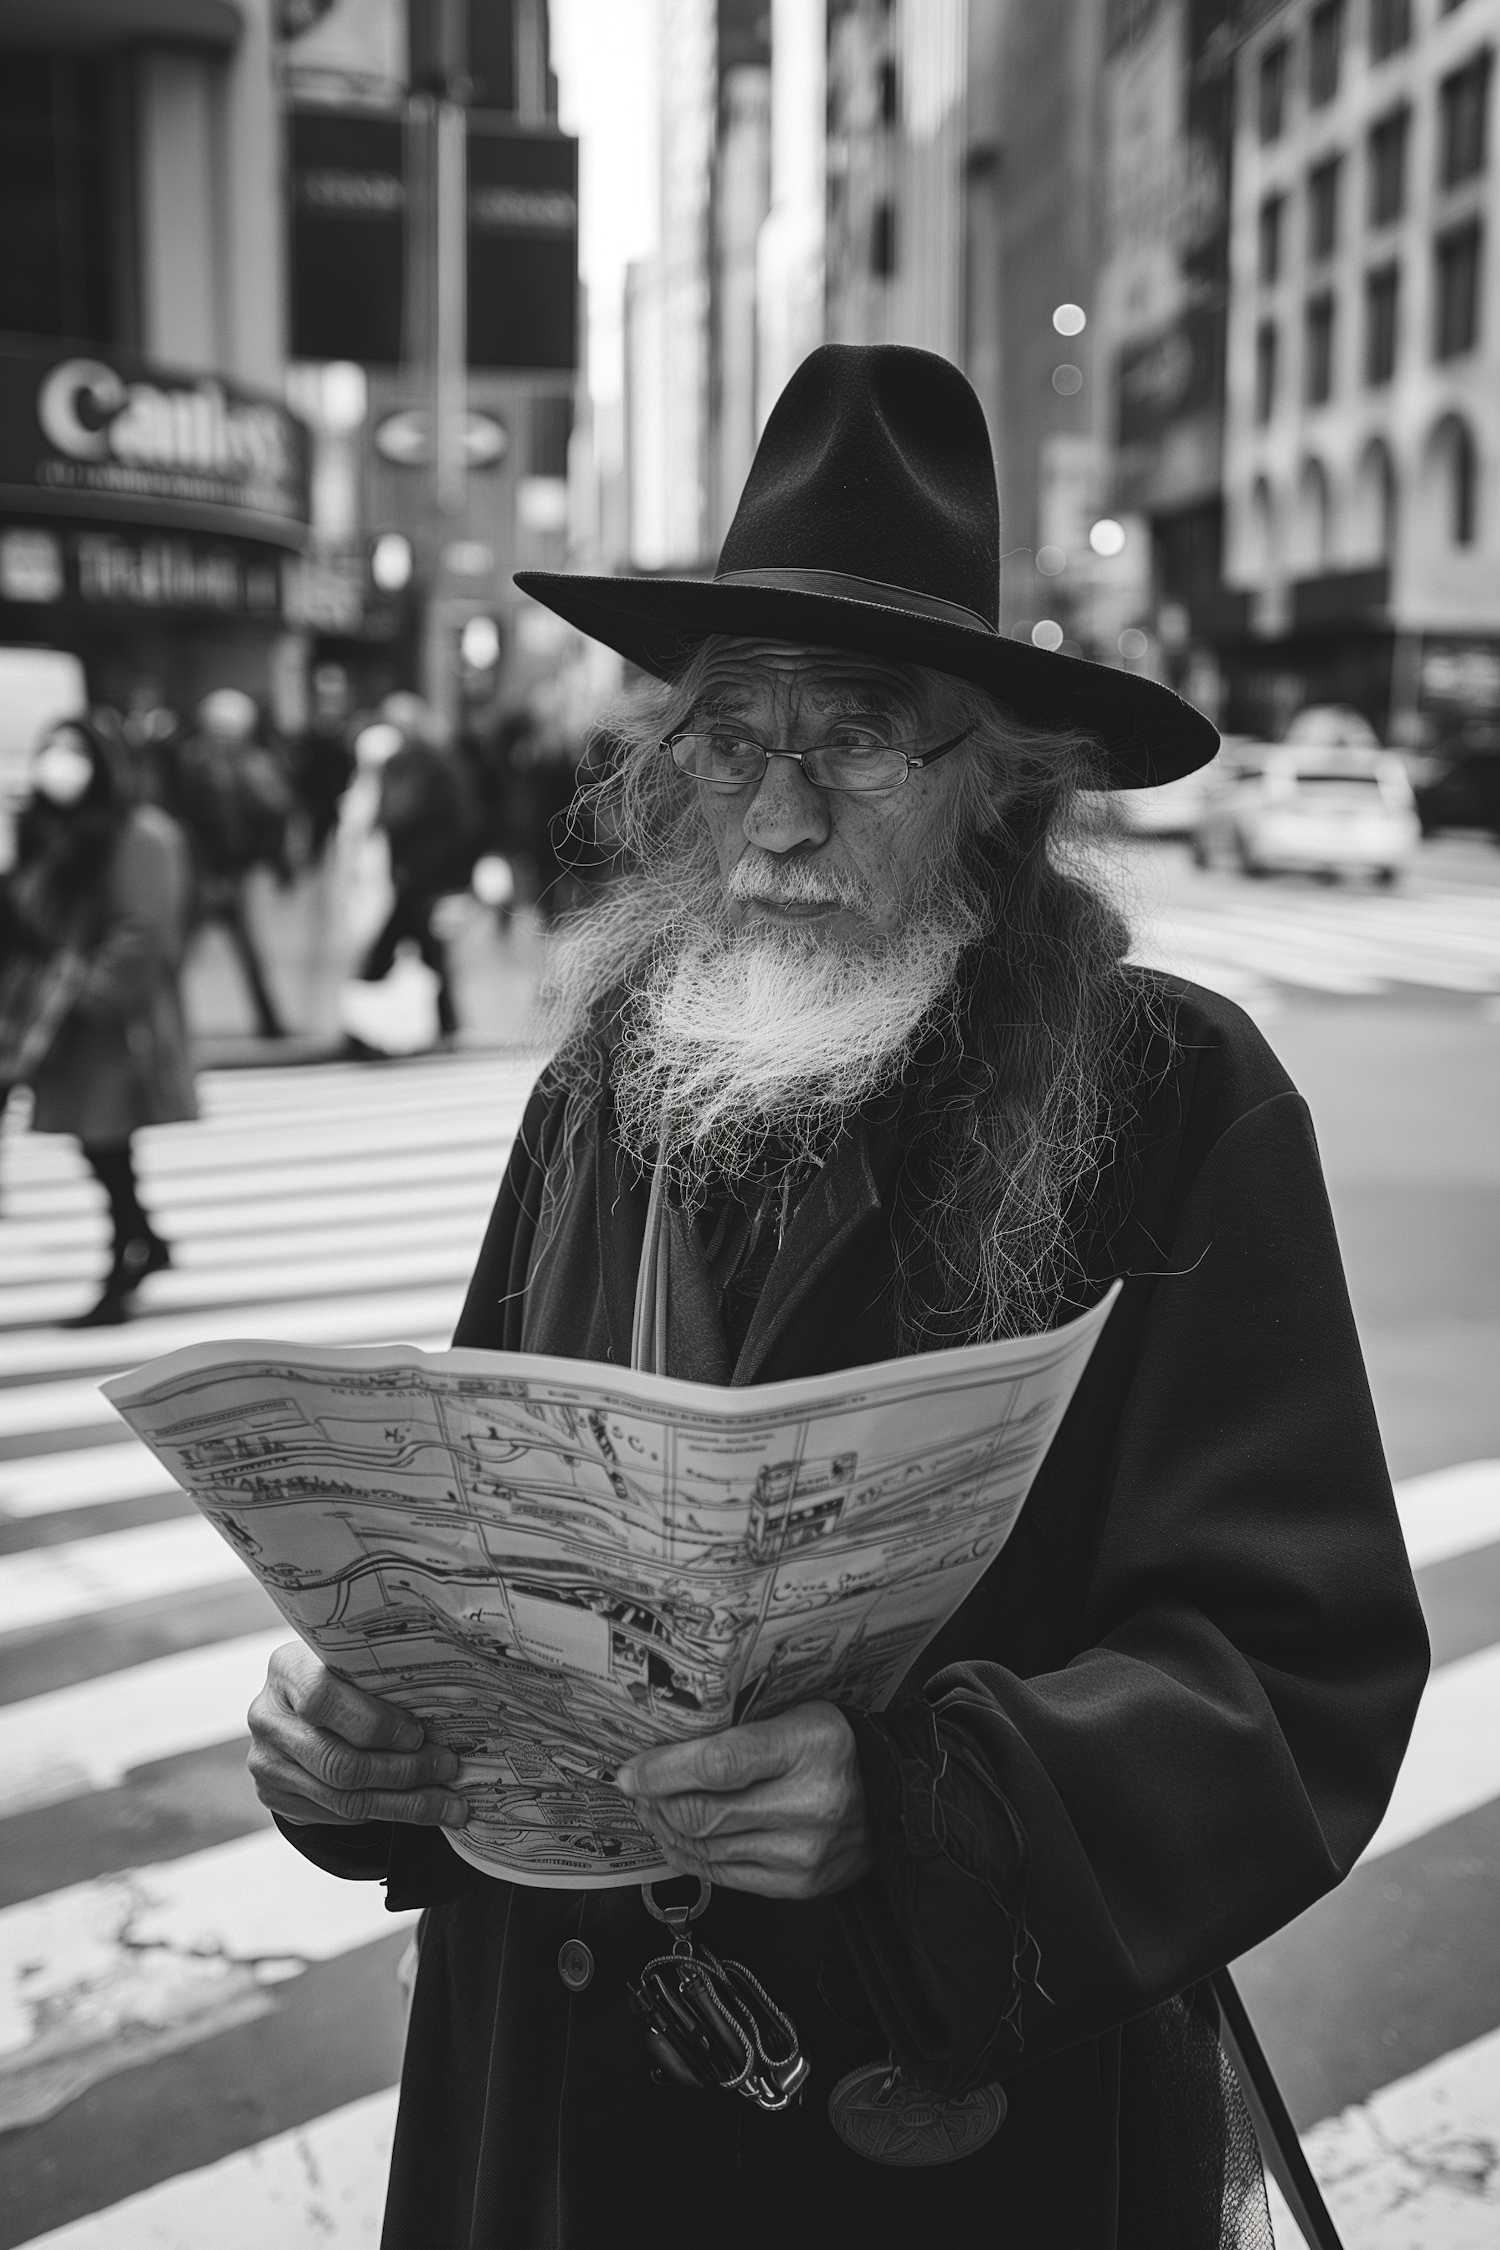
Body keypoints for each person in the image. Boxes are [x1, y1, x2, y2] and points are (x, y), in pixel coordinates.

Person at [246, 348, 1428, 2248]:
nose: (777, 814)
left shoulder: (1172, 1094)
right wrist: (365, 1744)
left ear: (999, 781)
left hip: (944, 2144)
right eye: (730, 739)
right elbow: (475, 1523)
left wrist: (919, 1813)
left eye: (860, 736)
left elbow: (1294, 1671)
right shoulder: (610, 1065)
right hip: (548, 2113)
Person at [2, 717, 195, 1325]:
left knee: (105, 1139)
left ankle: (125, 1264)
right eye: (51, 748)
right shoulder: (50, 831)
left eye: (75, 751)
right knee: (101, 1146)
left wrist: (87, 996)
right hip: (56, 1014)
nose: (59, 763)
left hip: (110, 1025)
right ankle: (145, 1242)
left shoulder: (141, 834)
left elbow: (143, 931)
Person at [355, 696, 480, 1043]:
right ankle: (446, 1022)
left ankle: (359, 1024)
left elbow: (455, 822)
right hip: (413, 874)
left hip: (429, 875)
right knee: (424, 949)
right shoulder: (400, 762)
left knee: (397, 949)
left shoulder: (437, 765)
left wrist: (456, 877)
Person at [171, 687, 292, 1039]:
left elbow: (275, 813)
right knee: (178, 950)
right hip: (201, 869)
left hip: (233, 871)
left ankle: (270, 1022)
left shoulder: (256, 765)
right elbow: (185, 817)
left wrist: (274, 860)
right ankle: (166, 1020)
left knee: (247, 951)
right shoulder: (193, 762)